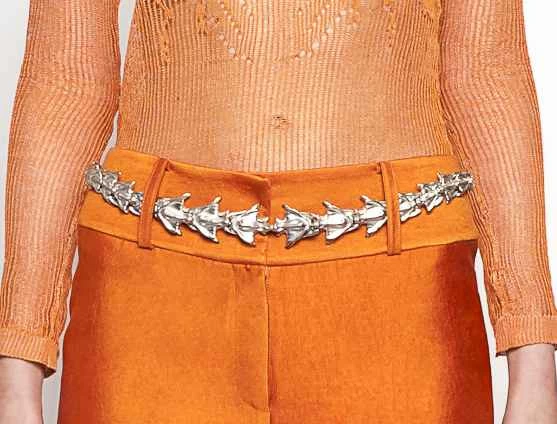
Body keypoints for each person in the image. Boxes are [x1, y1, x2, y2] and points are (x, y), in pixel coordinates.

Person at [1, 0, 557, 423]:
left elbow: (485, 73)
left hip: (402, 297)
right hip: (153, 299)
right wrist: (18, 363)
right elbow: (66, 80)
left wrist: (533, 354)